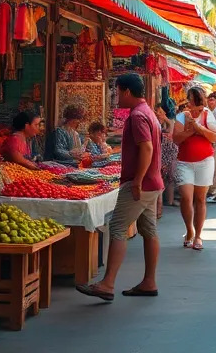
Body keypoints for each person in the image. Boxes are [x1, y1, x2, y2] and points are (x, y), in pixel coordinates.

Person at [76, 73, 163, 302]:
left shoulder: (137, 116)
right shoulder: (149, 113)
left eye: (116, 91)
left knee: (117, 227)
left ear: (126, 91)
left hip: (141, 184)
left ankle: (107, 284)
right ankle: (149, 281)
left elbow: (147, 149)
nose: (115, 96)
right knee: (149, 230)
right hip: (152, 183)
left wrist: (136, 180)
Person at [173, 85, 216, 249]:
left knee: (200, 199)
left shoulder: (208, 115)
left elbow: (214, 137)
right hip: (184, 162)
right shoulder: (182, 116)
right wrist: (191, 131)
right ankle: (189, 229)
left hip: (205, 161)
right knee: (186, 197)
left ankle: (198, 235)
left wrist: (199, 128)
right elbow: (176, 139)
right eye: (190, 99)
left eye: (195, 99)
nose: (191, 103)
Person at [155, 104, 178, 210]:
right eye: (157, 112)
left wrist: (166, 119)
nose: (158, 114)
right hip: (161, 152)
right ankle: (162, 201)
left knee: (170, 176)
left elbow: (170, 132)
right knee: (162, 176)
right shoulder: (157, 123)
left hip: (170, 152)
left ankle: (170, 200)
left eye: (160, 112)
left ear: (165, 113)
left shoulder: (171, 122)